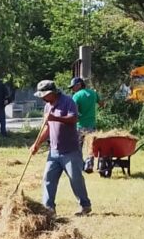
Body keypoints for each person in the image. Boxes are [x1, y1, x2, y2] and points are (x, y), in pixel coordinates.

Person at [29, 79, 91, 216]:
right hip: (54, 150)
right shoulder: (47, 106)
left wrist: (55, 118)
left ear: (52, 93)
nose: (43, 98)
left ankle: (85, 205)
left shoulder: (68, 102)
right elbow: (47, 127)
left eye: (44, 95)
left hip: (70, 150)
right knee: (48, 178)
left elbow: (74, 119)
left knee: (75, 179)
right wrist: (37, 144)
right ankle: (48, 208)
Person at [69, 76, 101, 173]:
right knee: (91, 146)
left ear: (79, 85)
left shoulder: (76, 96)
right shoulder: (93, 93)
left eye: (73, 87)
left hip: (80, 126)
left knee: (78, 147)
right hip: (92, 125)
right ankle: (89, 165)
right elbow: (102, 103)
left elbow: (75, 111)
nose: (72, 89)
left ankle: (81, 165)